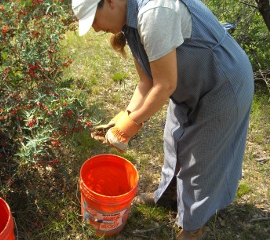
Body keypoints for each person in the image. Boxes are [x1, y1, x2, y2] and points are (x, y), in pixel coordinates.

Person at [72, 0, 254, 239]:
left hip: (222, 84)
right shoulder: (130, 23)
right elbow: (146, 83)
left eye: (94, 20)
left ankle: (193, 227)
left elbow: (165, 85)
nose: (95, 29)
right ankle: (169, 197)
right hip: (189, 84)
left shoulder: (155, 13)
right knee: (174, 141)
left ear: (110, 3)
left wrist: (129, 127)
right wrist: (123, 118)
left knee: (201, 162)